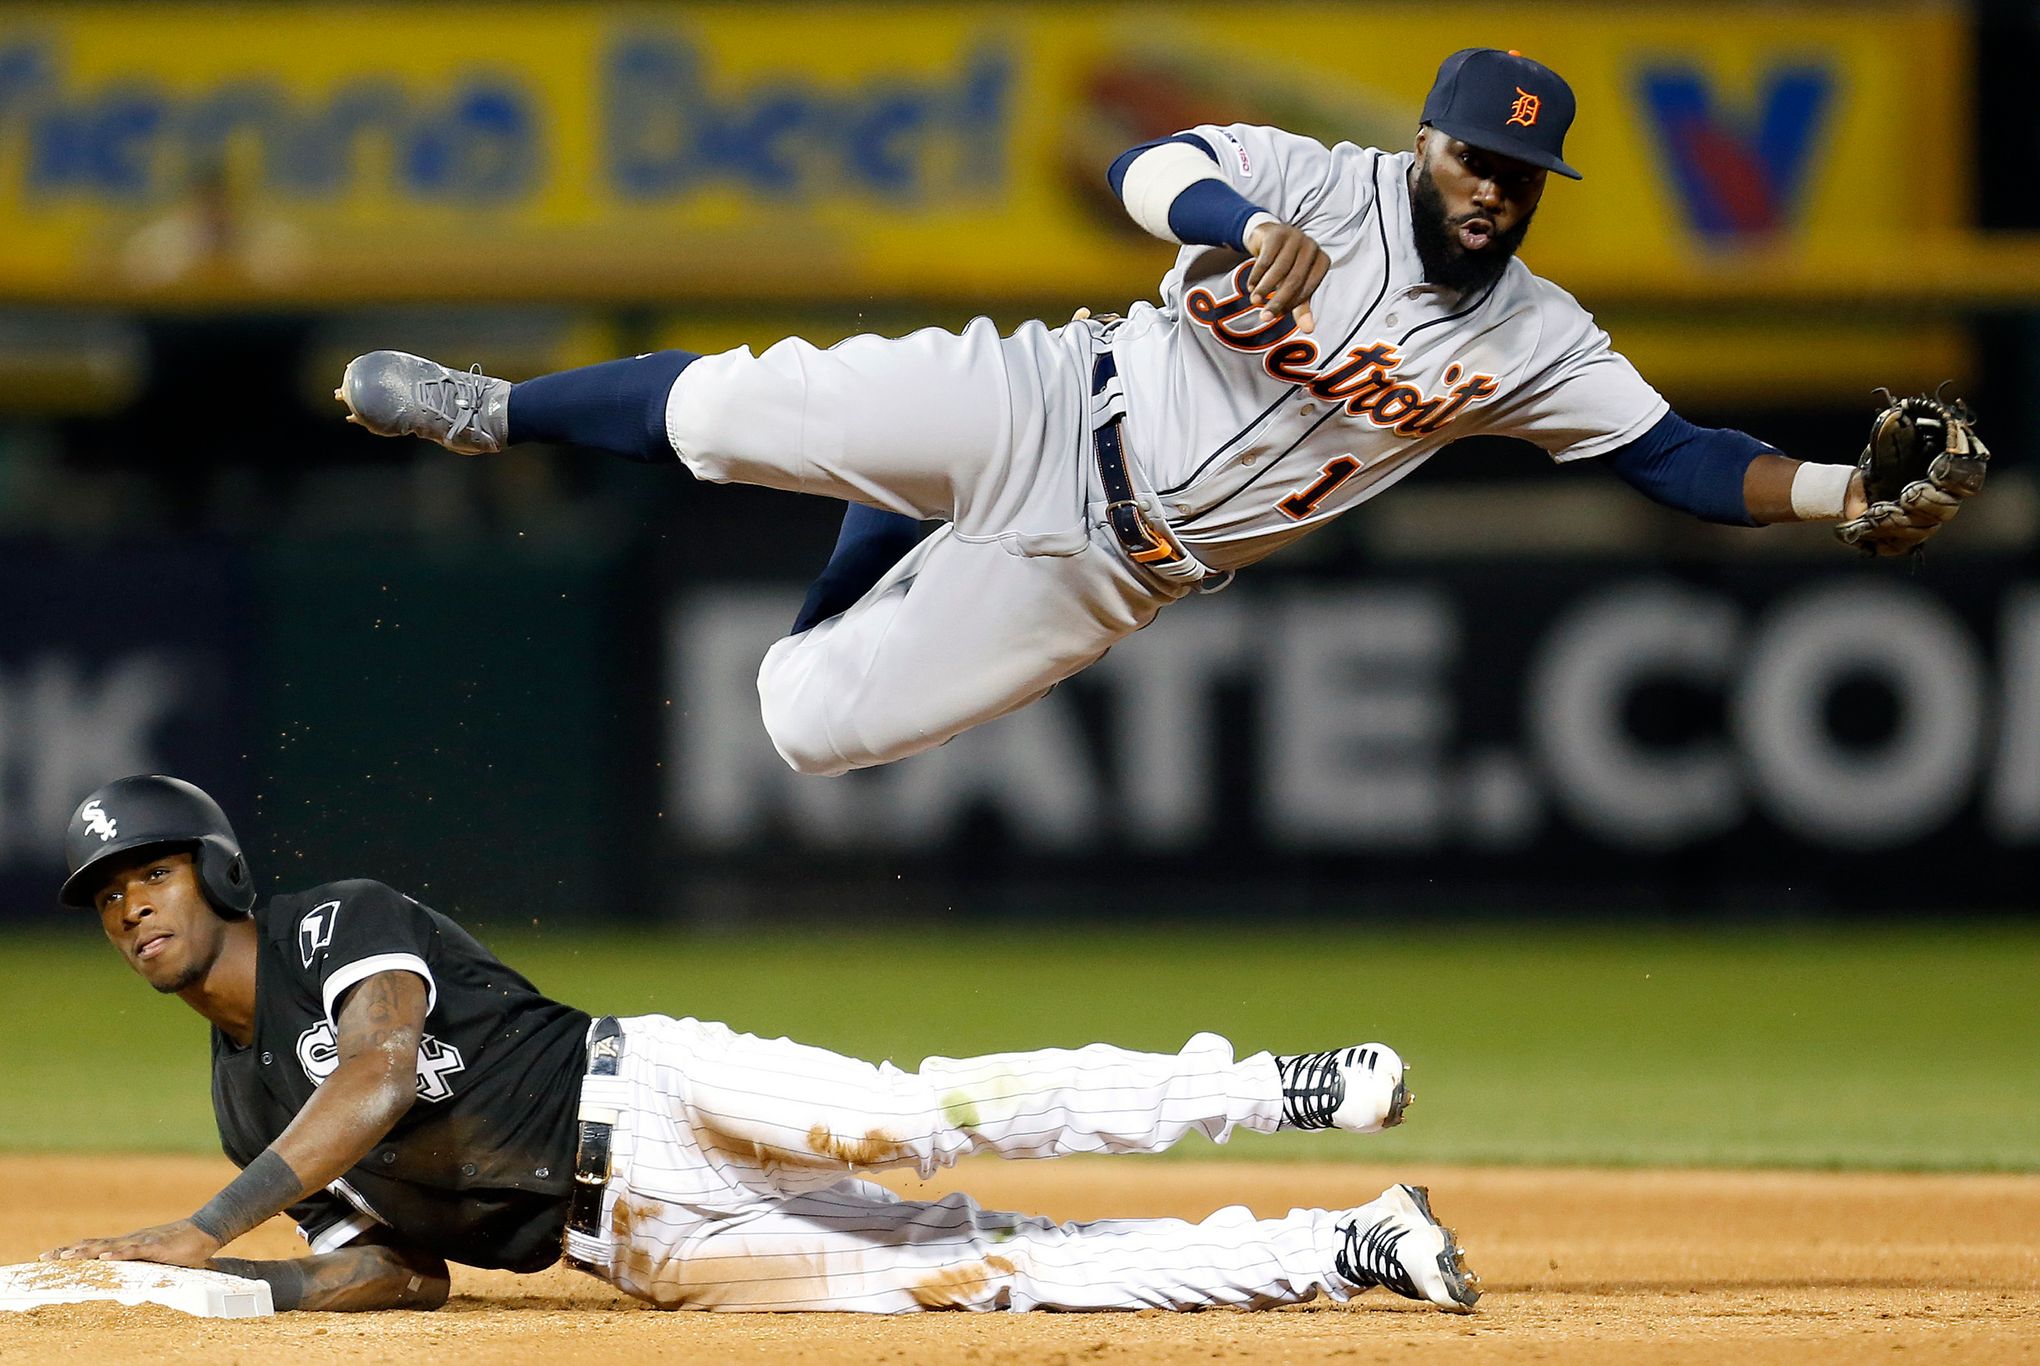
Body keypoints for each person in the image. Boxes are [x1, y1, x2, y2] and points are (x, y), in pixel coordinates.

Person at [336, 47, 1928, 779]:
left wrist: (1848, 495)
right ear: (1428, 144)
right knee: (762, 400)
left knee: (806, 727)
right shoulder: (1322, 177)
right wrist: (1235, 222)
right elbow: (1136, 165)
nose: (1491, 191)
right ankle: (497, 409)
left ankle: (881, 516)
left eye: (1519, 177)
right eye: (1470, 159)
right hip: (1050, 395)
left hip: (1114, 571)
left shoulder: (1537, 338)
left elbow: (1677, 459)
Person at [44, 774, 1480, 1314]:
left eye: (149, 875)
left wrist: (206, 1225)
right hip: (645, 1249)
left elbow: (370, 1072)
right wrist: (257, 1292)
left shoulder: (325, 922)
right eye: (110, 899)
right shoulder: (241, 1106)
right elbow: (398, 1266)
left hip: (659, 1086)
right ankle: (1344, 1245)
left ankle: (1278, 1086)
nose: (131, 908)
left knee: (921, 1117)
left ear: (217, 872)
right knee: (986, 1274)